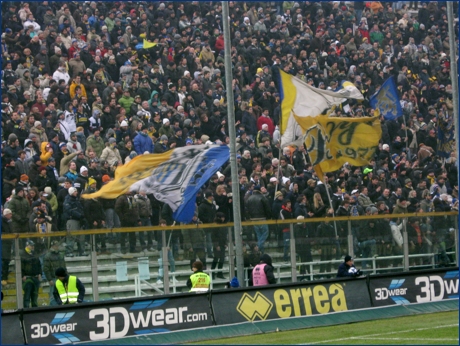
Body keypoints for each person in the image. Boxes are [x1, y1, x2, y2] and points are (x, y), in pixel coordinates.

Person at [43, 240, 67, 306]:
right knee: (52, 295)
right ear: (52, 246)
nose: (57, 247)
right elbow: (46, 269)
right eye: (56, 246)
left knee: (62, 293)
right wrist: (49, 279)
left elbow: (64, 266)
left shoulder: (60, 255)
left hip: (62, 278)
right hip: (54, 278)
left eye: (57, 246)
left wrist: (66, 276)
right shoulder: (48, 256)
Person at [20, 240, 42, 308]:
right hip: (27, 278)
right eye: (31, 245)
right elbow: (20, 266)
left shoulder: (35, 254)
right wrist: (22, 275)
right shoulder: (22, 254)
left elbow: (39, 264)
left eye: (33, 245)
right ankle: (26, 310)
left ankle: (34, 310)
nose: (33, 247)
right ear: (27, 245)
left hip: (35, 277)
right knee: (27, 296)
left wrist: (39, 273)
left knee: (35, 296)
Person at [156, 219, 177, 285]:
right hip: (162, 249)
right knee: (162, 264)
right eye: (162, 224)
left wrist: (171, 229)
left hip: (168, 249)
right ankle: (159, 278)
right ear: (160, 224)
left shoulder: (166, 230)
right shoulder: (159, 231)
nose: (163, 225)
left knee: (172, 261)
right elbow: (161, 240)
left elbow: (169, 238)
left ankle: (172, 277)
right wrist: (170, 229)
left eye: (164, 223)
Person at [2, 209, 13, 286]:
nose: (11, 215)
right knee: (3, 261)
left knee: (7, 261)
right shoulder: (2, 222)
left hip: (8, 244)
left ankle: (5, 278)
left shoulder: (9, 222)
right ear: (6, 214)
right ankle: (2, 278)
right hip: (3, 244)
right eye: (10, 214)